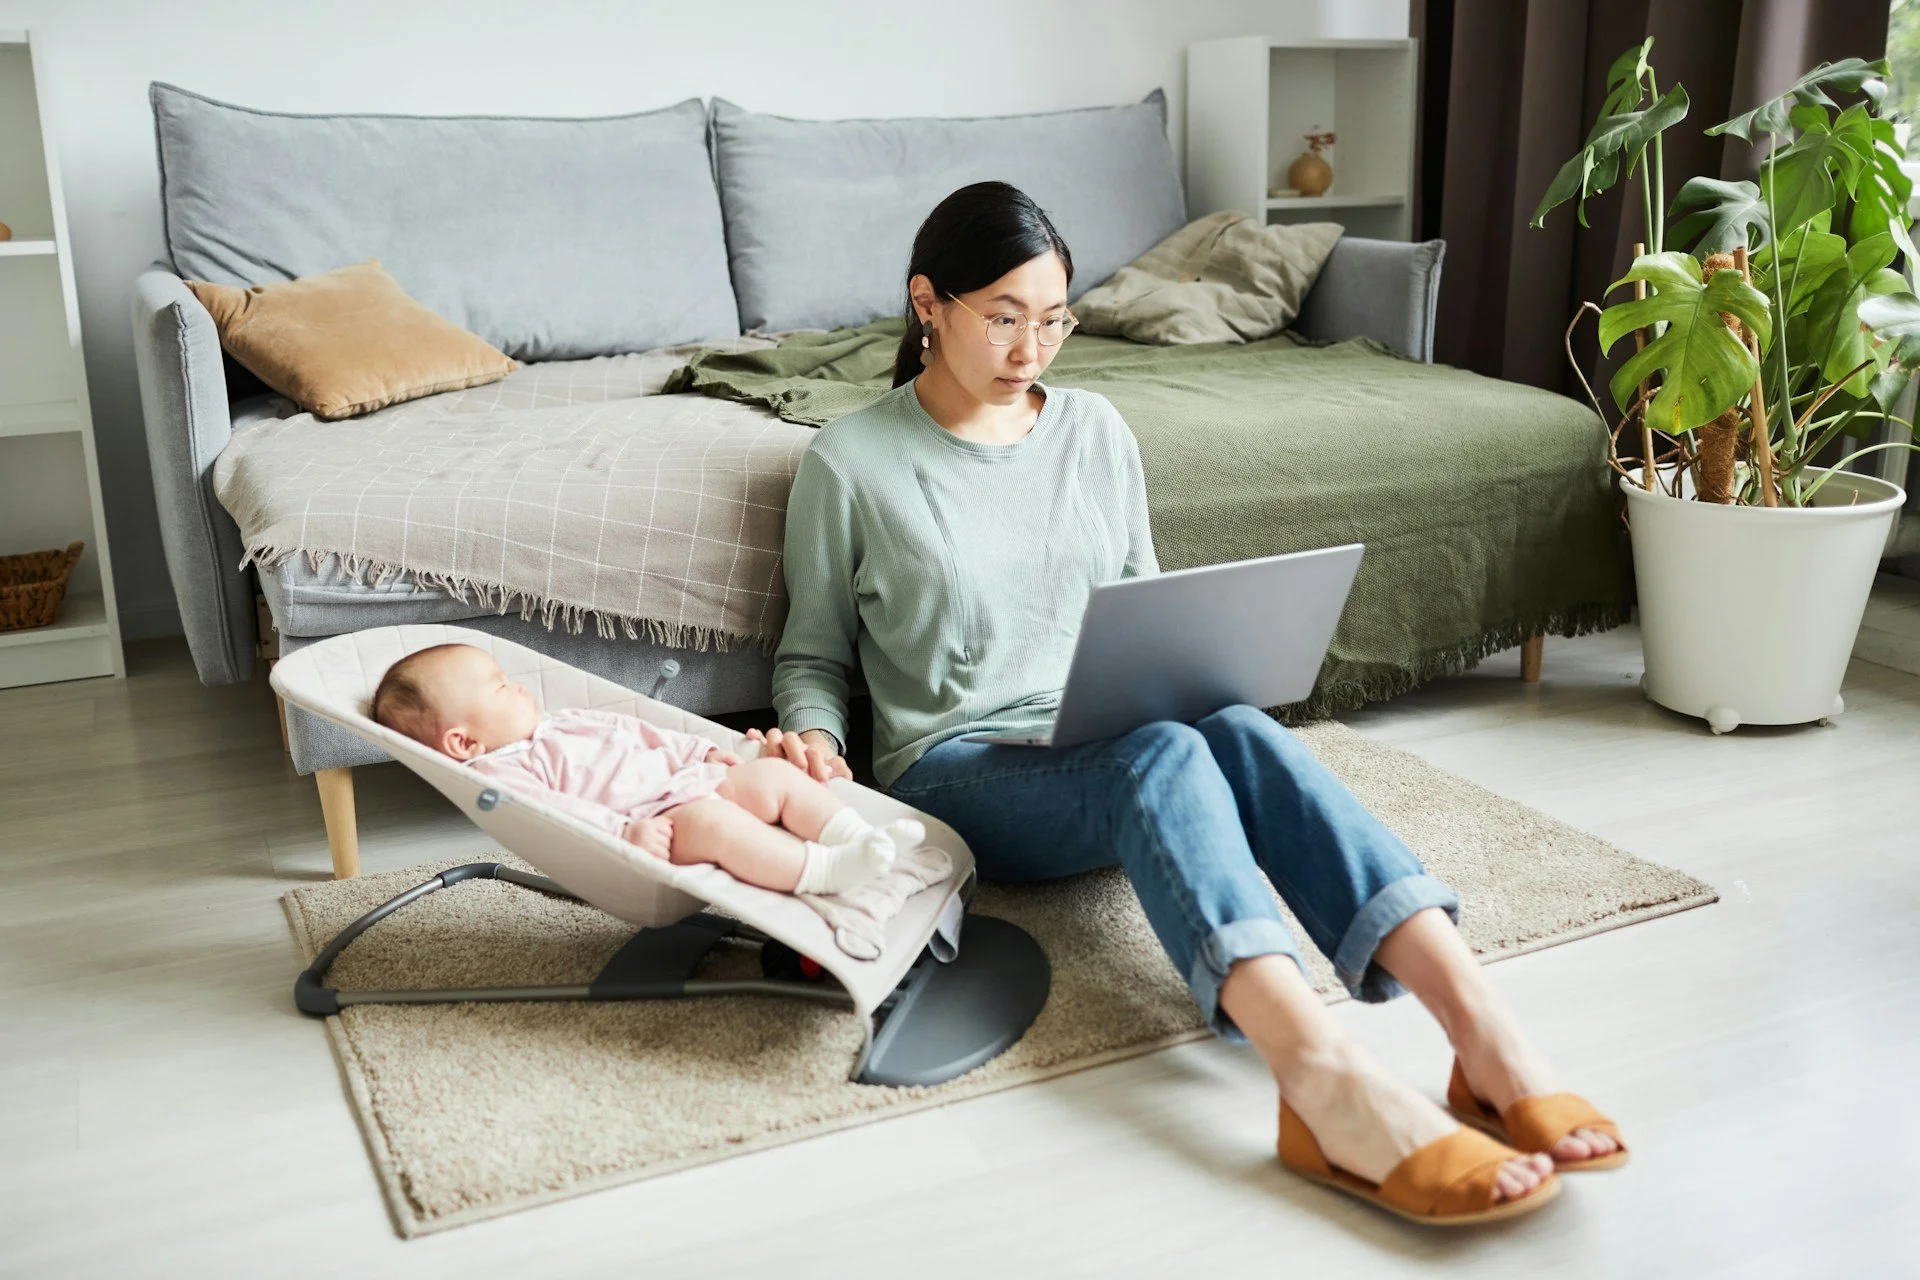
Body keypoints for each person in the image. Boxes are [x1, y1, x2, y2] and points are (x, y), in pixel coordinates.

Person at [757, 180, 1626, 1224]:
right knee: (1164, 755)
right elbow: (812, 654)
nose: (1032, 347)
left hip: (1099, 722)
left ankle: (1483, 1031)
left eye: (1054, 320)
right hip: (960, 763)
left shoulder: (1096, 431)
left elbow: (1148, 611)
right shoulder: (851, 463)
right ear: (928, 303)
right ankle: (1321, 1074)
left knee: (1232, 726)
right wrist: (813, 738)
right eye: (1003, 317)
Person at [370, 642, 923, 895]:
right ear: (464, 741)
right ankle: (827, 872)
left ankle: (857, 836)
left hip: (688, 778)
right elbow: (556, 814)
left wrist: (701, 755)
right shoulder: (505, 772)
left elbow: (642, 734)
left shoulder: (562, 722)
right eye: (499, 687)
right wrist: (625, 833)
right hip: (655, 823)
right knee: (715, 825)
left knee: (776, 779)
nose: (516, 686)